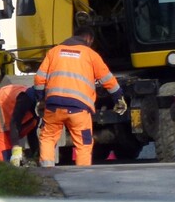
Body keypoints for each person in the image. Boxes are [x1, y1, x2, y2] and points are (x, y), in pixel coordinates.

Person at [33, 25, 126, 167]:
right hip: (79, 110)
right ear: (89, 39)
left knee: (48, 138)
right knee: (83, 143)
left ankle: (47, 173)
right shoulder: (90, 55)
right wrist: (118, 98)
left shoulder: (54, 52)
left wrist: (40, 100)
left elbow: (39, 79)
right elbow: (108, 80)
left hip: (53, 107)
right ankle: (82, 176)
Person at [0, 83, 42, 162]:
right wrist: (16, 150)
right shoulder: (25, 99)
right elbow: (14, 123)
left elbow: (32, 134)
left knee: (11, 159)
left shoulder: (36, 106)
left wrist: (37, 156)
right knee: (4, 159)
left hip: (4, 120)